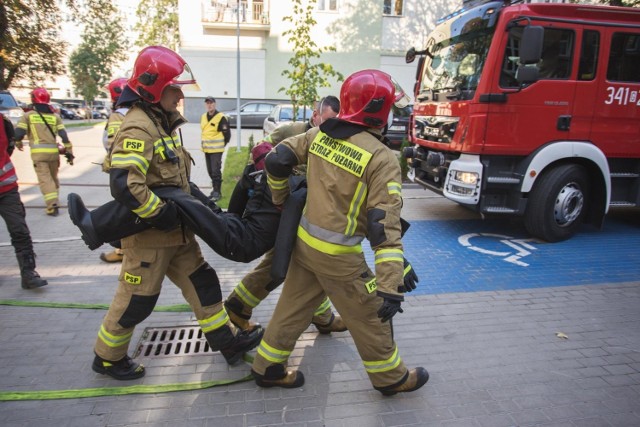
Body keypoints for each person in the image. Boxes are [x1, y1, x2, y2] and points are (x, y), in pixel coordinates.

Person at [85, 46, 263, 381]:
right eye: (174, 88)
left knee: (204, 284)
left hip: (177, 235)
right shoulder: (139, 128)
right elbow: (125, 185)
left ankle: (228, 343)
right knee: (137, 300)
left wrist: (201, 207)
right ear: (154, 87)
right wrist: (161, 214)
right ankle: (108, 357)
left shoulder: (161, 124)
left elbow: (175, 180)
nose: (180, 95)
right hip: (151, 240)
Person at [250, 69, 429, 396]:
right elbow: (381, 223)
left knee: (291, 307)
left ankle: (267, 367)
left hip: (304, 247)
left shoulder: (320, 136)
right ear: (379, 111)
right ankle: (390, 377)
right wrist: (389, 286)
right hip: (340, 259)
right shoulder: (381, 157)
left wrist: (280, 197)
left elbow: (277, 159)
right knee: (372, 312)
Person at [224, 95, 345, 334]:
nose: (332, 128)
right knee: (287, 261)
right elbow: (261, 152)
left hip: (308, 213)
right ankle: (239, 305)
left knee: (301, 263)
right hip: (281, 210)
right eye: (328, 121)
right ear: (315, 116)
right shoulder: (292, 131)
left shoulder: (334, 143)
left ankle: (321, 315)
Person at [0, 113, 48, 289]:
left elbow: (9, 148)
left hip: (7, 189)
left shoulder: (3, 122)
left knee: (19, 231)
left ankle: (28, 273)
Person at [14, 88, 74, 216]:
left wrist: (17, 142)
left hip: (39, 154)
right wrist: (69, 149)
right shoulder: (55, 117)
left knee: (45, 179)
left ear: (33, 100)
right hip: (53, 153)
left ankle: (52, 205)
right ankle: (55, 199)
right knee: (53, 177)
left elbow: (18, 134)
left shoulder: (28, 116)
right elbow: (63, 135)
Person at [99, 77, 130, 263]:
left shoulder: (118, 115)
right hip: (132, 170)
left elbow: (112, 144)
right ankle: (123, 249)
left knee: (123, 211)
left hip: (122, 171)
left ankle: (121, 251)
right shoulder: (140, 112)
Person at [200, 96, 230, 201]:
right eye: (207, 103)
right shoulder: (203, 116)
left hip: (216, 150)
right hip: (207, 149)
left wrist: (222, 145)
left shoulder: (221, 117)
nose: (209, 105)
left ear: (215, 104)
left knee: (215, 171)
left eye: (211, 103)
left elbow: (227, 135)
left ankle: (217, 192)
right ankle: (214, 190)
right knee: (210, 171)